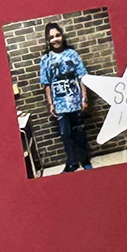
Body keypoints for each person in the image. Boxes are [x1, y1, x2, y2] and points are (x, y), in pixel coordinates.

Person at [37, 23, 93, 174]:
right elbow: (46, 83)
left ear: (62, 36)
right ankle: (71, 162)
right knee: (65, 133)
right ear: (48, 40)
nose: (55, 39)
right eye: (52, 37)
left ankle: (85, 159)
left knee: (79, 131)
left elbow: (82, 76)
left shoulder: (72, 54)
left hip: (75, 99)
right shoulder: (45, 59)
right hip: (59, 103)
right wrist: (51, 103)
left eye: (57, 35)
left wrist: (84, 98)